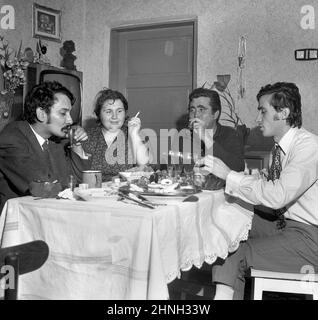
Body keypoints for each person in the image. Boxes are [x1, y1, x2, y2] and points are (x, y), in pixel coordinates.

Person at [199, 82, 318, 299]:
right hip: (282, 224)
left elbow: (276, 195)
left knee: (233, 253)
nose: (257, 119)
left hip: (310, 238)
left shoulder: (308, 146)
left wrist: (229, 175)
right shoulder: (279, 147)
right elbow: (264, 182)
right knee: (226, 232)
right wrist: (238, 179)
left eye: (263, 111)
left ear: (283, 113)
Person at [0, 81, 88, 212]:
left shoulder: (55, 139)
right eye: (63, 113)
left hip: (50, 211)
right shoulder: (12, 138)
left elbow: (82, 181)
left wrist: (76, 143)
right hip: (20, 220)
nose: (70, 120)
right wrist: (70, 187)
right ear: (41, 114)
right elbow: (42, 187)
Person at [171, 87, 245, 189]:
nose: (196, 115)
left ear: (215, 114)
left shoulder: (230, 134)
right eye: (192, 110)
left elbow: (237, 169)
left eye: (202, 109)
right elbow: (176, 171)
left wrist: (206, 138)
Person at [77, 88, 150, 181]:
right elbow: (80, 175)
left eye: (119, 111)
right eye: (108, 111)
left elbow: (144, 165)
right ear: (99, 114)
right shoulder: (88, 136)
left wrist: (134, 134)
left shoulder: (134, 135)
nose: (115, 116)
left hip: (125, 192)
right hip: (95, 192)